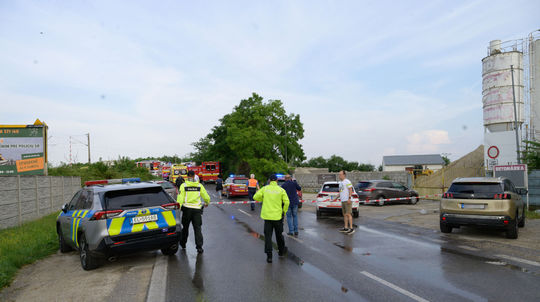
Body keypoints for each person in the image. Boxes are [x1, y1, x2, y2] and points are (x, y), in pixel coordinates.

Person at [254, 174, 290, 263]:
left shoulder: (265, 189)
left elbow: (255, 197)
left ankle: (269, 256)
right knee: (279, 236)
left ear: (269, 180)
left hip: (267, 217)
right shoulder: (281, 190)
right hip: (278, 217)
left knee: (268, 237)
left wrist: (264, 198)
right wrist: (284, 212)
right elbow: (287, 202)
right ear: (277, 181)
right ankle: (281, 252)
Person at [177, 170, 211, 253]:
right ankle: (199, 247)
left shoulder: (183, 185)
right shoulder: (199, 185)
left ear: (187, 176)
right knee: (197, 228)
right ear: (194, 176)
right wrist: (207, 202)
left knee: (185, 228)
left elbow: (180, 197)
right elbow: (206, 196)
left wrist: (179, 207)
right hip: (197, 210)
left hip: (186, 209)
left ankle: (183, 243)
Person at [333, 170, 355, 234]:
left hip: (347, 200)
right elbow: (340, 192)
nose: (339, 176)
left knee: (348, 214)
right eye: (339, 174)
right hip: (343, 200)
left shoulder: (347, 181)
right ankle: (346, 228)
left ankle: (351, 228)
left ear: (344, 175)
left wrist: (349, 198)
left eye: (340, 174)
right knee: (344, 214)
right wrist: (335, 198)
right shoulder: (340, 183)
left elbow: (350, 189)